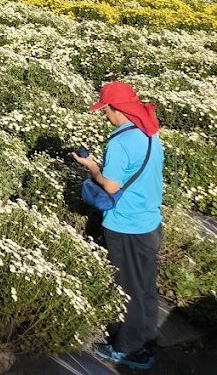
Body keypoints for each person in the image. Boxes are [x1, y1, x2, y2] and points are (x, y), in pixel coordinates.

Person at [73, 82, 164, 371]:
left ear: (117, 109)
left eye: (106, 109)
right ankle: (147, 337)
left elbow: (111, 186)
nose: (105, 115)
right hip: (149, 222)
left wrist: (92, 168)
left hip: (127, 225)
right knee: (146, 286)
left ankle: (129, 350)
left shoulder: (119, 143)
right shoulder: (150, 133)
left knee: (129, 289)